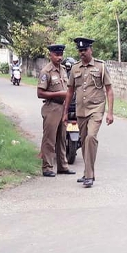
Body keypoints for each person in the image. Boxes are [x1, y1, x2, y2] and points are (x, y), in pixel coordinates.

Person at [62, 37, 114, 188]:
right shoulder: (75, 68)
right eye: (80, 50)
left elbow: (109, 90)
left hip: (96, 109)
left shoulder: (101, 66)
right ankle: (87, 172)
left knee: (91, 137)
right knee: (84, 142)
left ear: (91, 50)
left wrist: (110, 113)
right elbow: (70, 91)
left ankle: (89, 176)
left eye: (85, 50)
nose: (82, 53)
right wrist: (65, 112)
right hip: (81, 110)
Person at [37, 44, 76, 177]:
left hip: (63, 107)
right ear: (51, 55)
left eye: (61, 55)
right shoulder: (46, 72)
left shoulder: (64, 69)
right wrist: (58, 93)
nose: (59, 57)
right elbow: (40, 93)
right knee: (50, 139)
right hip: (51, 107)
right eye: (56, 55)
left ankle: (63, 166)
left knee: (62, 138)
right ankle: (47, 167)